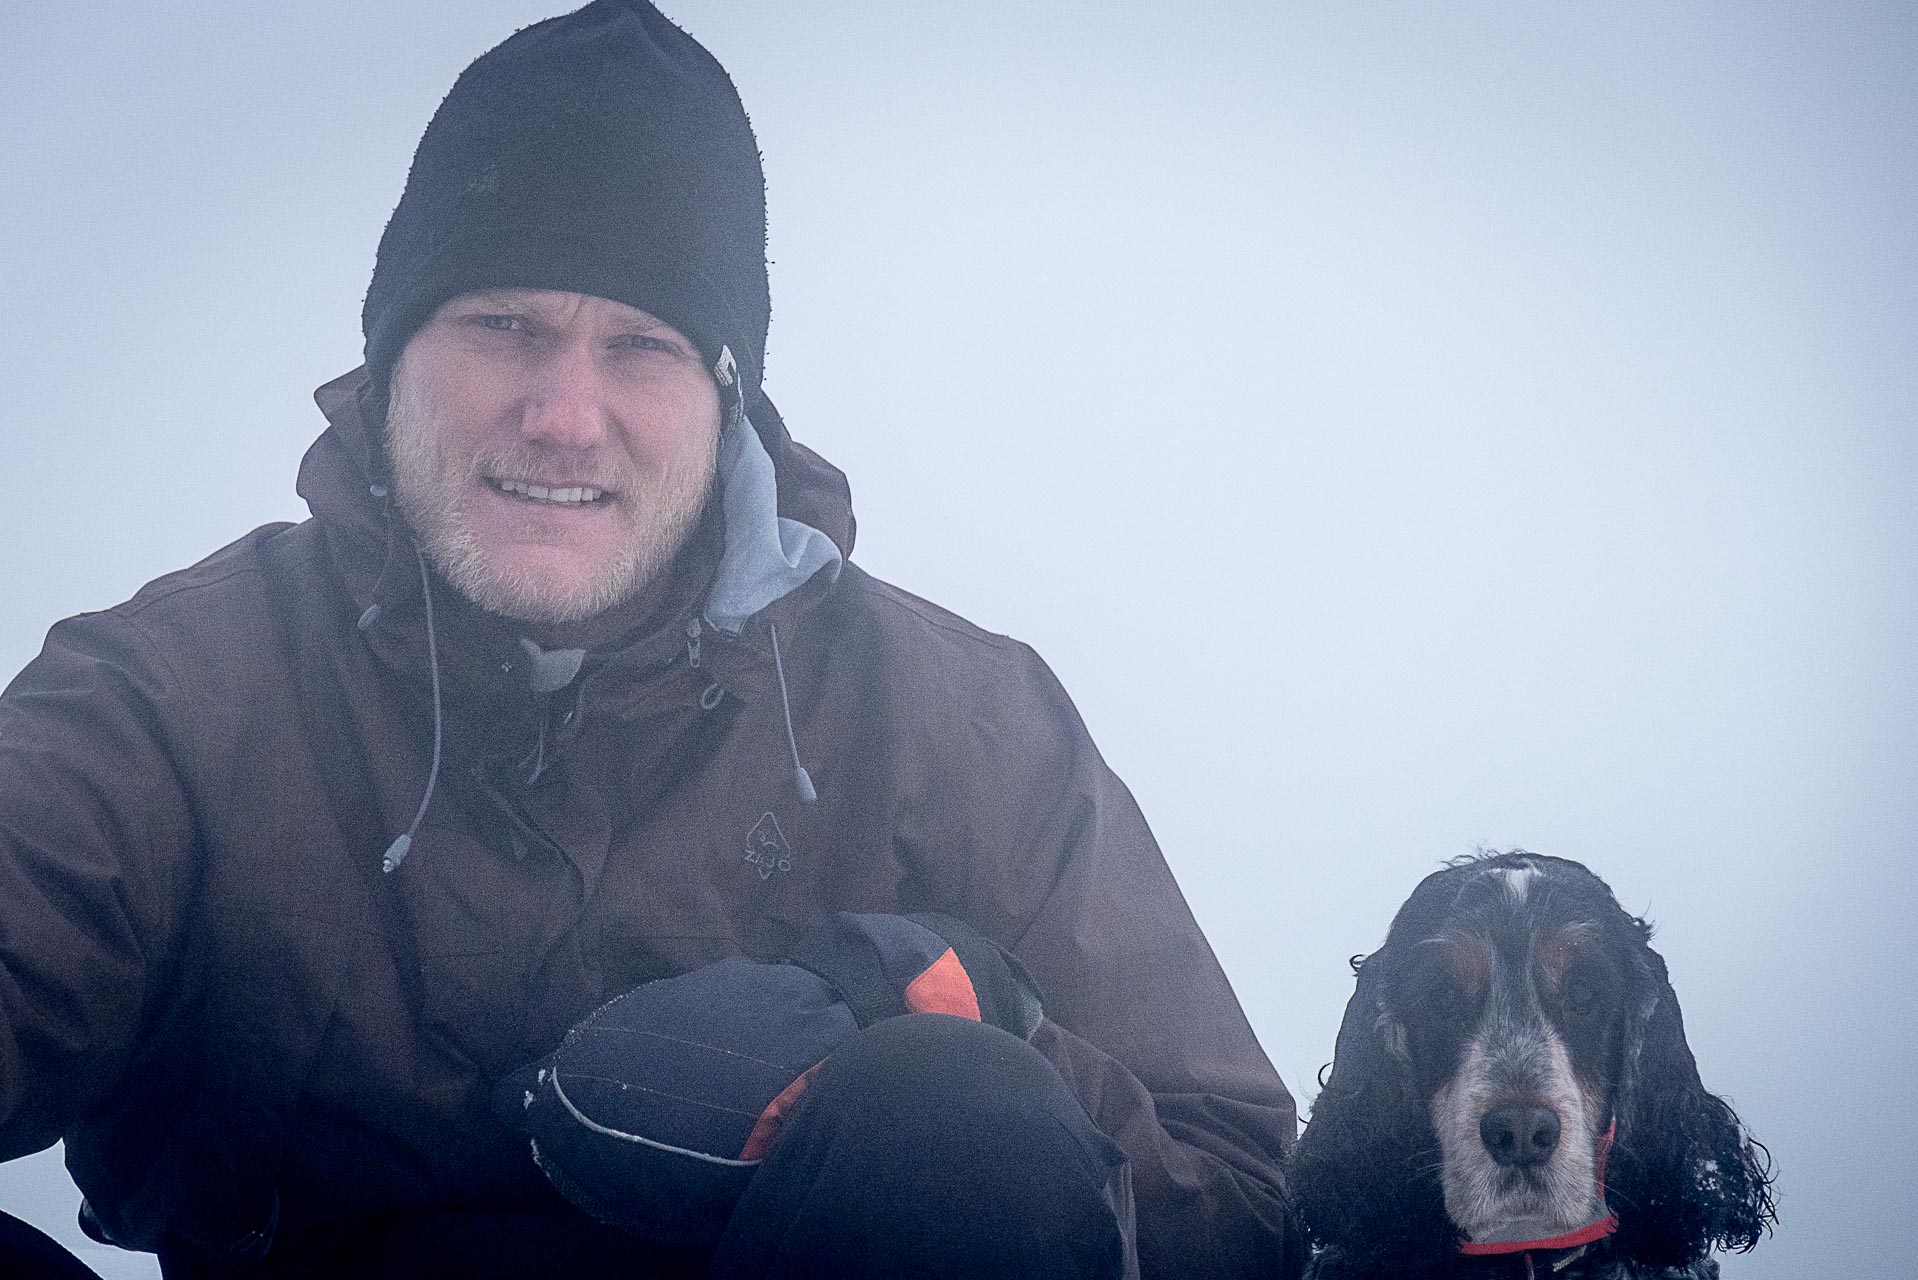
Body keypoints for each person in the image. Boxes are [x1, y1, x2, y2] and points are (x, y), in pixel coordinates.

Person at [0, 3, 1302, 1276]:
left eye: (641, 344)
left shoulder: (961, 721)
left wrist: (956, 1030)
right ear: (389, 360)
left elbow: (1243, 1202)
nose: (566, 414)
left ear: (725, 404)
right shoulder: (176, 695)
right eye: (502, 323)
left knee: (959, 1113)